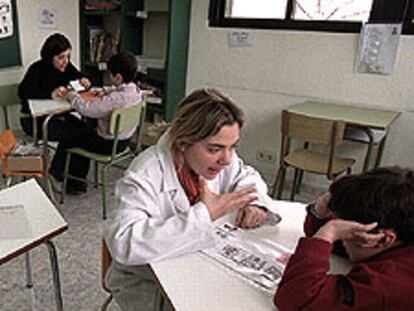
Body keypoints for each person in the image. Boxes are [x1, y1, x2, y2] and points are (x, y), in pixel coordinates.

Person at [104, 88, 281, 311]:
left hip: (196, 263)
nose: (226, 159)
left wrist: (256, 204)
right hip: (145, 280)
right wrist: (204, 215)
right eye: (215, 149)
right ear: (183, 142)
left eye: (233, 147)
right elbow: (123, 243)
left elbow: (246, 176)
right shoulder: (145, 173)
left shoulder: (221, 158)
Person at [274, 166, 414, 311]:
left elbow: (296, 299)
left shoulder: (391, 284)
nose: (342, 238)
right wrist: (321, 213)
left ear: (384, 239)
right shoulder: (403, 232)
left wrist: (329, 232)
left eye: (347, 233)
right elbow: (344, 244)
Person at [49, 51, 142, 194]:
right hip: (124, 142)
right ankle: (77, 184)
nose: (109, 77)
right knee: (82, 132)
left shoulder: (115, 99)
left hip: (106, 144)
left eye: (110, 75)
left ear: (118, 77)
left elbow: (87, 109)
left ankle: (56, 176)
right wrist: (104, 90)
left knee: (69, 137)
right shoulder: (135, 91)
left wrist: (71, 95)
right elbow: (116, 89)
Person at [18, 33, 91, 141]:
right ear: (50, 57)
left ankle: (69, 157)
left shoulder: (66, 66)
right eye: (61, 57)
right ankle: (62, 158)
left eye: (68, 56)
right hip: (33, 121)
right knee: (72, 136)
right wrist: (50, 94)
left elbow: (78, 75)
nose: (65, 61)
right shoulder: (37, 68)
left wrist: (84, 80)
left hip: (56, 115)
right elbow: (23, 92)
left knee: (86, 130)